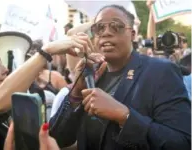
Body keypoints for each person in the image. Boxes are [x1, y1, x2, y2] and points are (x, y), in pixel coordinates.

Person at [49, 4, 191, 150]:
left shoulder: (161, 71)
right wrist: (76, 92)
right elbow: (56, 139)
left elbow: (182, 143)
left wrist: (125, 116)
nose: (106, 33)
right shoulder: (91, 76)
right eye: (99, 28)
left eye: (116, 26)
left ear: (133, 34)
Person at [0, 34, 97, 150]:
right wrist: (46, 52)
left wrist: (76, 92)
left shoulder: (10, 113)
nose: (5, 69)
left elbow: (54, 140)